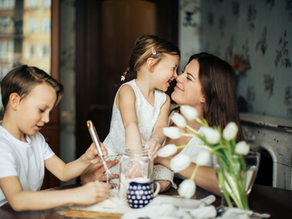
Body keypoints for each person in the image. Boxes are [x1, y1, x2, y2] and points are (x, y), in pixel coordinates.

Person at [0, 65, 111, 211]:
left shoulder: (36, 138)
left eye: (49, 112)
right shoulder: (2, 144)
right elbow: (17, 200)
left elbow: (63, 172)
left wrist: (86, 158)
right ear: (15, 101)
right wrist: (77, 195)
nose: (46, 119)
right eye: (41, 110)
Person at [85, 35, 180, 192]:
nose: (176, 75)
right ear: (151, 64)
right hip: (119, 157)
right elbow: (131, 125)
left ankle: (141, 188)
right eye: (173, 68)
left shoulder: (164, 99)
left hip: (147, 160)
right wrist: (136, 162)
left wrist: (156, 140)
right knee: (118, 177)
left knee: (165, 178)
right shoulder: (128, 90)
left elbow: (161, 127)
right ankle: (135, 186)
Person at [155, 52, 243, 196]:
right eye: (183, 72)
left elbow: (233, 184)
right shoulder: (162, 113)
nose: (178, 77)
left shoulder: (216, 136)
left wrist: (170, 161)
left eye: (189, 77)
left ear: (205, 95)